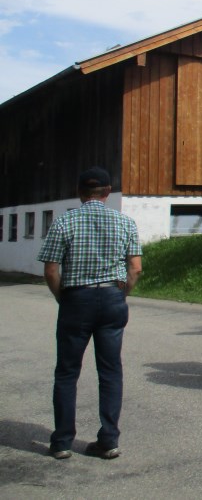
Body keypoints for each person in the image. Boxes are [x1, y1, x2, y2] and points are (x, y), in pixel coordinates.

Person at [38, 166, 142, 460]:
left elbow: (51, 270)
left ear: (79, 192)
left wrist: (62, 297)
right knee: (110, 370)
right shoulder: (125, 222)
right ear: (107, 191)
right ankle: (108, 440)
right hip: (111, 297)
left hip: (76, 298)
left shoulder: (64, 222)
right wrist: (121, 294)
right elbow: (135, 268)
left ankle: (62, 441)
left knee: (67, 371)